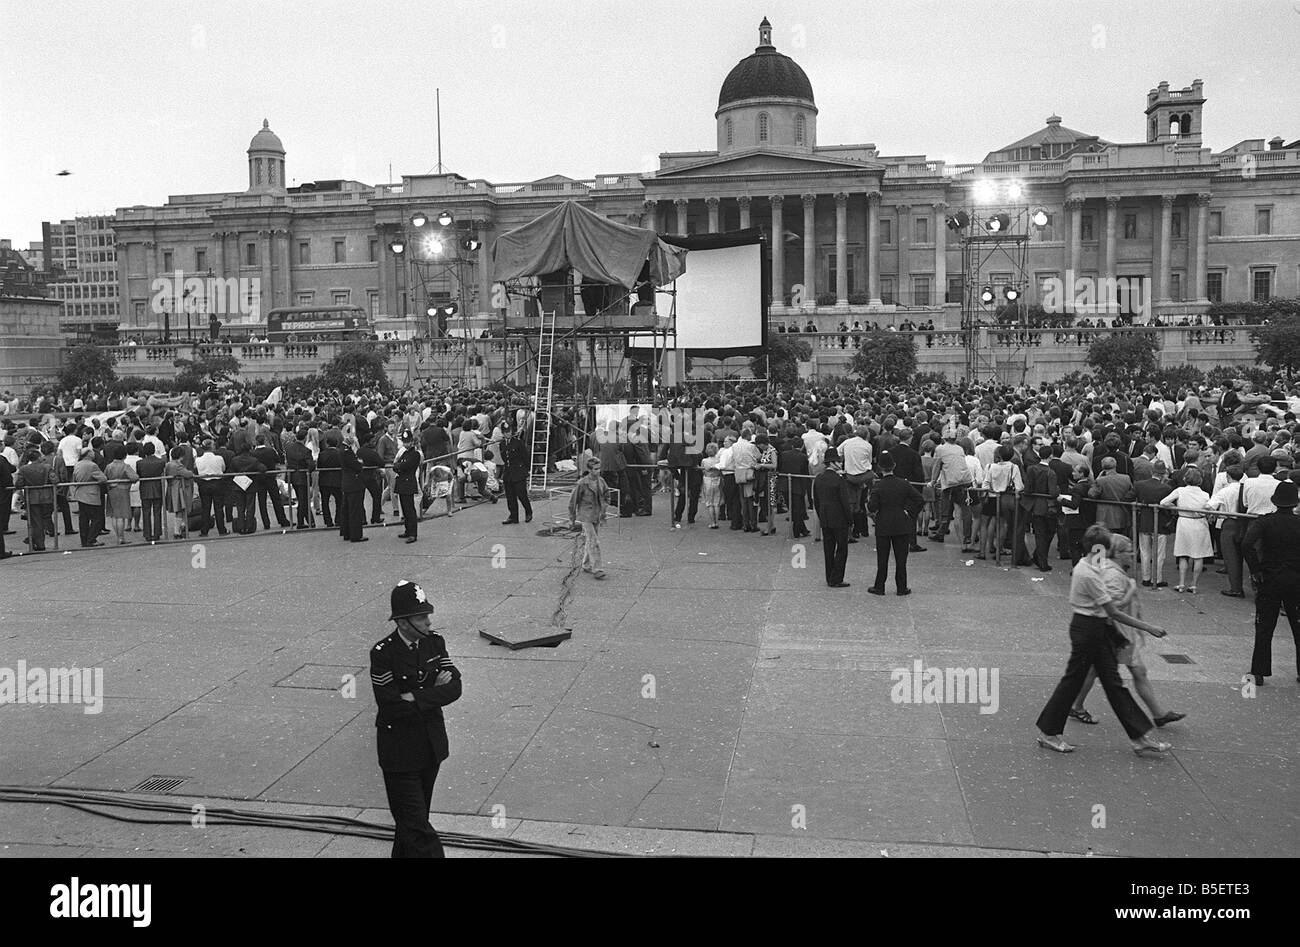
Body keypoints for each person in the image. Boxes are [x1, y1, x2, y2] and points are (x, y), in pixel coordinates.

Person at [1036, 524, 1174, 756]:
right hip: (1089, 630)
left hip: (1093, 629)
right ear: (1101, 547)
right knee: (1074, 683)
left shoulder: (1089, 562)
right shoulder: (1089, 573)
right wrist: (1149, 626)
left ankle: (1139, 738)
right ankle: (1049, 733)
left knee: (1112, 685)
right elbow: (1115, 612)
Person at [370, 580, 462, 858]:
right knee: (418, 829)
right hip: (399, 752)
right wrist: (434, 692)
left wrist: (417, 697)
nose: (428, 622)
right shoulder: (383, 653)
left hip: (429, 747)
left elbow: (455, 687)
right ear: (403, 621)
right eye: (421, 617)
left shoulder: (434, 643)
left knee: (410, 825)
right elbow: (390, 705)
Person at [1069, 534, 1185, 728]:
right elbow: (1114, 609)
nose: (1132, 553)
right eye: (1129, 550)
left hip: (1116, 633)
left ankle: (1158, 714)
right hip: (1116, 634)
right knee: (1114, 674)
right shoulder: (1114, 575)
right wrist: (1133, 592)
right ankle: (1147, 723)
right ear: (1118, 553)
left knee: (1132, 671)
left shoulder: (1110, 569)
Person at [1242, 478, 1300, 685]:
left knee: (1265, 626)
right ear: (1295, 503)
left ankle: (1259, 671)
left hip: (1270, 577)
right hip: (1296, 578)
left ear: (1275, 502)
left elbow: (1247, 543)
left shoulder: (1264, 522)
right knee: (1298, 626)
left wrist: (1256, 569)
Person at [867, 450, 923, 595]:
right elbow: (919, 499)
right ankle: (901, 587)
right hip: (901, 523)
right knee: (901, 559)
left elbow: (872, 507)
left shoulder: (878, 486)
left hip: (883, 524)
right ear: (894, 466)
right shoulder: (903, 484)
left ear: (879, 467)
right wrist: (909, 512)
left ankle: (879, 586)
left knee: (882, 558)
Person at [1158, 467, 1214, 593]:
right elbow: (1209, 508)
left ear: (1185, 479)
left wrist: (1176, 507)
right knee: (1198, 556)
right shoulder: (1205, 494)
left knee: (1183, 554)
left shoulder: (1180, 490)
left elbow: (1163, 502)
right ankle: (1194, 585)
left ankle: (1181, 583)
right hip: (1200, 523)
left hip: (1184, 522)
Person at [812, 448, 853, 588]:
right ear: (833, 463)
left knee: (828, 549)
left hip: (825, 517)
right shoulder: (839, 480)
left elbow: (816, 501)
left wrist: (821, 514)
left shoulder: (819, 478)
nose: (840, 464)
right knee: (842, 549)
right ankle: (837, 578)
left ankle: (829, 576)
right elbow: (845, 502)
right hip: (839, 518)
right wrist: (850, 520)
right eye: (838, 462)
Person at [569, 456, 610, 579]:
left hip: (597, 514)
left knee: (590, 540)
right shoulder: (582, 483)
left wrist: (605, 506)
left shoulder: (601, 481)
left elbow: (607, 494)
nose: (598, 471)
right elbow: (573, 501)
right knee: (594, 541)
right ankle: (597, 568)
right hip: (586, 515)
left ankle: (586, 564)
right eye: (596, 469)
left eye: (599, 468)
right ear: (590, 470)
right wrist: (572, 519)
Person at [498, 421, 533, 525]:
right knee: (510, 496)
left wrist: (527, 470)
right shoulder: (502, 444)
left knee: (521, 494)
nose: (508, 434)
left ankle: (528, 511)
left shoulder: (518, 442)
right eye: (505, 432)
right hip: (509, 472)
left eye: (509, 431)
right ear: (503, 433)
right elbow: (504, 458)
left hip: (519, 471)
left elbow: (525, 457)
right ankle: (513, 516)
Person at [71, 448, 107, 547]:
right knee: (97, 518)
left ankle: (84, 540)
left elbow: (74, 479)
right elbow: (103, 478)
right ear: (88, 454)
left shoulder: (77, 464)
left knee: (83, 519)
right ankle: (91, 539)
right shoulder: (92, 465)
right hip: (91, 494)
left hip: (80, 494)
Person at [392, 431, 422, 543]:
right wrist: (399, 466)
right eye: (405, 442)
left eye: (408, 442)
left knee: (410, 509)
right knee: (404, 509)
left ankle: (413, 533)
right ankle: (407, 530)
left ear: (412, 442)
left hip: (408, 483)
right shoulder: (404, 453)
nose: (406, 444)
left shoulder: (415, 454)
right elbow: (396, 465)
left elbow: (406, 466)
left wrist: (400, 466)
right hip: (402, 483)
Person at [135, 442, 166, 542]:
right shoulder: (160, 462)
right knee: (157, 512)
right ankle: (157, 533)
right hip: (157, 487)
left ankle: (147, 534)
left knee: (146, 512)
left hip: (145, 487)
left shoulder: (140, 463)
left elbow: (139, 474)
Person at [699, 442, 723, 529]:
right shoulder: (719, 460)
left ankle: (712, 522)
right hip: (717, 479)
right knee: (717, 502)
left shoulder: (704, 461)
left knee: (709, 503)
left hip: (707, 480)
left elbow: (703, 471)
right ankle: (717, 522)